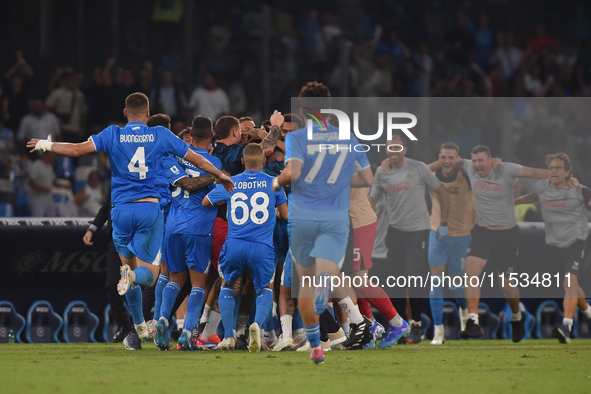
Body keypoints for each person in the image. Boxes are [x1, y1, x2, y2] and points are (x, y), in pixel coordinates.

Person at [27, 92, 233, 351]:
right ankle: (136, 282)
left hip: (120, 211)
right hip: (148, 210)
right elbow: (197, 159)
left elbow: (77, 149)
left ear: (125, 113)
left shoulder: (112, 133)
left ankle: (137, 327)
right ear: (147, 114)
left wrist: (46, 145)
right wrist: (220, 175)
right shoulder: (160, 135)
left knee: (126, 268)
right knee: (150, 275)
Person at [273, 81, 374, 364]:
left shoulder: (298, 137)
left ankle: (316, 344)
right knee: (326, 273)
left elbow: (294, 172)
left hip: (303, 217)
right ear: (329, 107)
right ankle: (325, 290)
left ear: (303, 110)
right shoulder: (348, 137)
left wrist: (276, 181)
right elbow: (368, 180)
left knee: (304, 281)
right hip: (334, 218)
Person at [435, 145, 560, 341]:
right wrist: (420, 170)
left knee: (507, 286)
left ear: (490, 160)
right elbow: (446, 161)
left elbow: (533, 172)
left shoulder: (506, 169)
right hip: (484, 233)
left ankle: (518, 316)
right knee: (470, 271)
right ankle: (473, 322)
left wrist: (557, 176)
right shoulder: (467, 167)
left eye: (481, 161)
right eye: (474, 161)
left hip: (507, 236)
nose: (476, 165)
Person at [203, 143, 288, 352]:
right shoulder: (274, 183)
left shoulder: (230, 182)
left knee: (227, 286)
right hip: (262, 246)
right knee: (265, 288)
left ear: (242, 161)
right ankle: (257, 328)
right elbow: (285, 215)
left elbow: (206, 202)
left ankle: (229, 336)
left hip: (235, 245)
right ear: (264, 162)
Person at [369, 133, 450, 344]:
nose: (393, 151)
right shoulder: (382, 172)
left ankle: (416, 324)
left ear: (405, 149)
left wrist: (443, 223)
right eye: (389, 147)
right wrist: (364, 227)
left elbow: (442, 192)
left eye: (397, 147)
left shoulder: (418, 168)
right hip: (394, 232)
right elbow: (372, 202)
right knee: (395, 280)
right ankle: (400, 326)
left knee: (412, 276)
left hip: (418, 231)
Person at [155, 115, 222, 351]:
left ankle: (162, 319)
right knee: (197, 284)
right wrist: (216, 175)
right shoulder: (215, 164)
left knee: (174, 279)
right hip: (199, 229)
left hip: (173, 226)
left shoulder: (174, 157)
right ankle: (187, 333)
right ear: (211, 136)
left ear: (190, 135)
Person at [515, 153, 591, 343]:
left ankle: (566, 327)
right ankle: (589, 311)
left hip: (576, 241)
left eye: (558, 168)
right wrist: (513, 201)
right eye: (551, 168)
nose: (553, 171)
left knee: (569, 283)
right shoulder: (542, 187)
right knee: (572, 287)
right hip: (554, 244)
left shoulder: (579, 190)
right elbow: (533, 196)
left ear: (567, 172)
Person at [426, 142, 476, 345]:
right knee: (435, 282)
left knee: (457, 286)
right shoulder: (432, 176)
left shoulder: (467, 177)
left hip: (462, 236)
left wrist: (463, 163)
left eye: (451, 157)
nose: (446, 161)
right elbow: (420, 171)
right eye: (443, 157)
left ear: (458, 159)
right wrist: (438, 164)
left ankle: (465, 313)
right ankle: (438, 332)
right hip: (437, 234)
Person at [83, 184, 131, 342]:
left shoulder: (139, 179)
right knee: (112, 284)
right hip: (115, 241)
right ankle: (123, 324)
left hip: (137, 239)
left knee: (142, 284)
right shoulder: (116, 180)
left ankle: (142, 325)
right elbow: (105, 208)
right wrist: (92, 229)